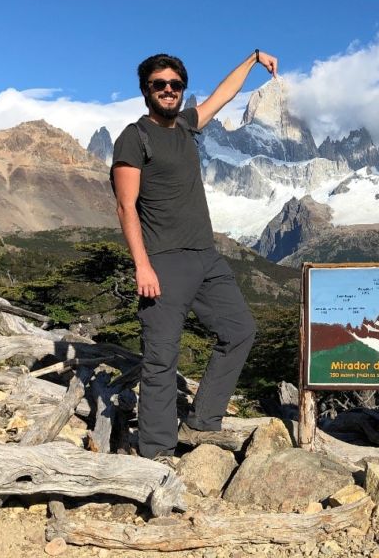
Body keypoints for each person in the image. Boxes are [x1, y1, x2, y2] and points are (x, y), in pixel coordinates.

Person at [111, 49, 278, 459]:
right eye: (159, 85)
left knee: (239, 330)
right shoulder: (134, 137)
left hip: (206, 257)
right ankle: (156, 453)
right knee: (161, 360)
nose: (168, 91)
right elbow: (125, 206)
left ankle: (202, 421)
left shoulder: (186, 125)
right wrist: (142, 266)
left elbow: (222, 96)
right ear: (146, 90)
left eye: (175, 85)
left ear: (182, 90)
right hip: (164, 261)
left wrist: (253, 59)